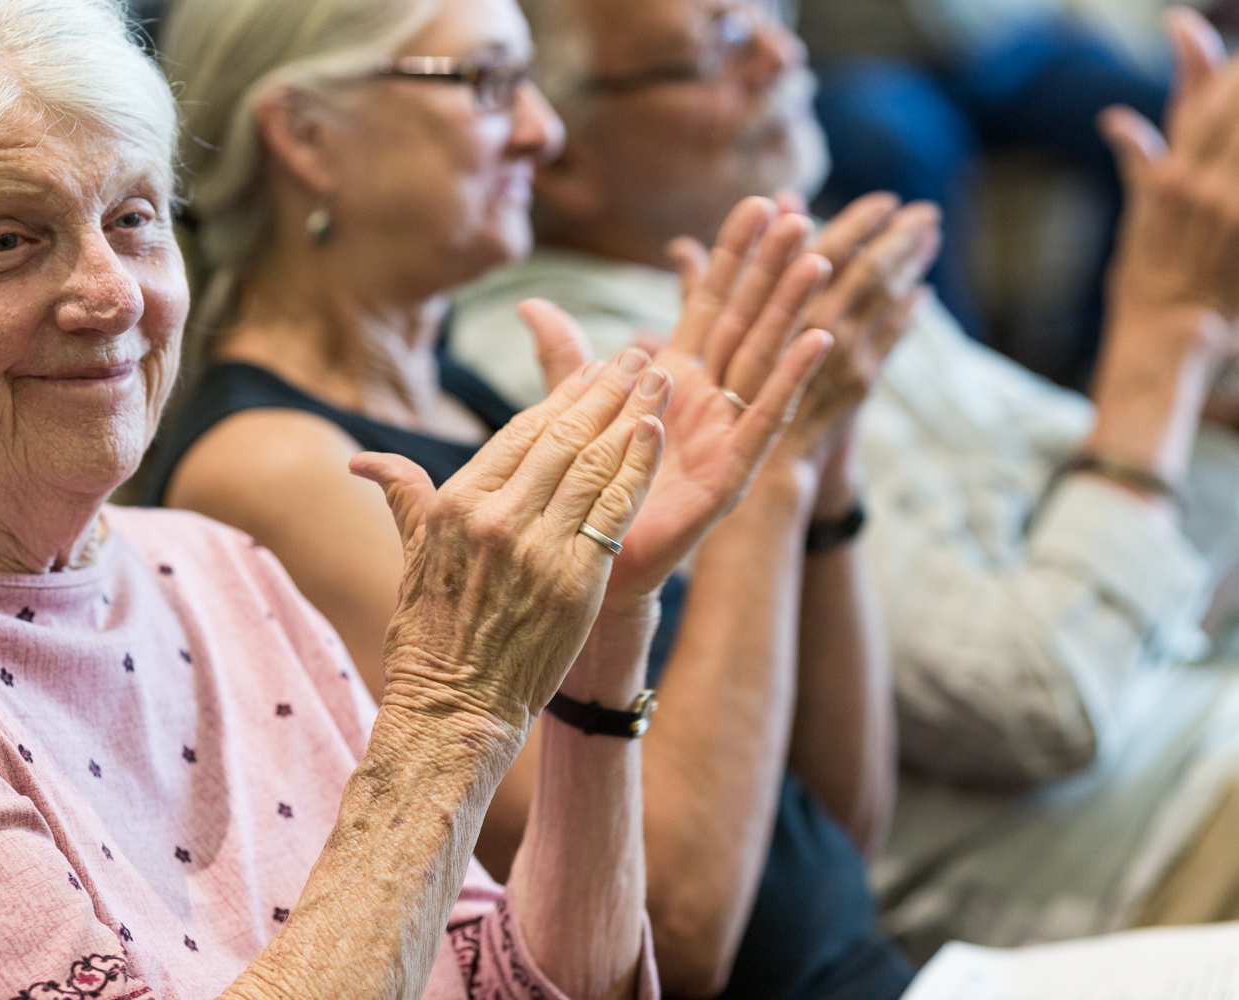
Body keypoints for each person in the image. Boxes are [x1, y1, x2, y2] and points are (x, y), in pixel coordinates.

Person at [0, 0, 812, 994]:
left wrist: (605, 626)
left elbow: (520, 984)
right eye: (8, 240)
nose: (111, 293)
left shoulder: (215, 564)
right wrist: (448, 716)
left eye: (133, 218)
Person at [144, 0, 929, 997]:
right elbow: (671, 931)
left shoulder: (469, 394)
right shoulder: (276, 469)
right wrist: (764, 486)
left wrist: (820, 465)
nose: (542, 130)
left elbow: (834, 841)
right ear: (306, 134)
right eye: (486, 83)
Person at [450, 0, 1239, 954]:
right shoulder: (594, 367)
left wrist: (1181, 380)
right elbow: (1039, 693)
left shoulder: (804, 249)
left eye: (772, 16)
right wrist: (1165, 331)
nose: (783, 52)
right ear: (559, 150)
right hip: (1135, 854)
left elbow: (1156, 505)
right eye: (718, 47)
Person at [795, 0, 1170, 381]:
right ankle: (959, 378)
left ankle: (1106, 360)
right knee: (892, 148)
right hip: (863, 56)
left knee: (1159, 111)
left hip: (1008, 38)